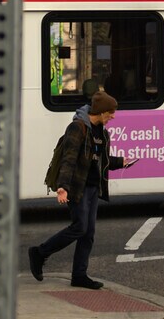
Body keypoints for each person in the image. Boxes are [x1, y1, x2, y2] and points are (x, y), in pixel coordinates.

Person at [30, 92, 127, 289]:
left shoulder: (102, 133)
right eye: (110, 112)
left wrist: (121, 162)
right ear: (100, 112)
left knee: (88, 233)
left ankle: (79, 276)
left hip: (92, 187)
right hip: (77, 187)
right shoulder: (77, 128)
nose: (113, 116)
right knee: (80, 227)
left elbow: (101, 160)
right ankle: (40, 252)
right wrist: (63, 187)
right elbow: (69, 158)